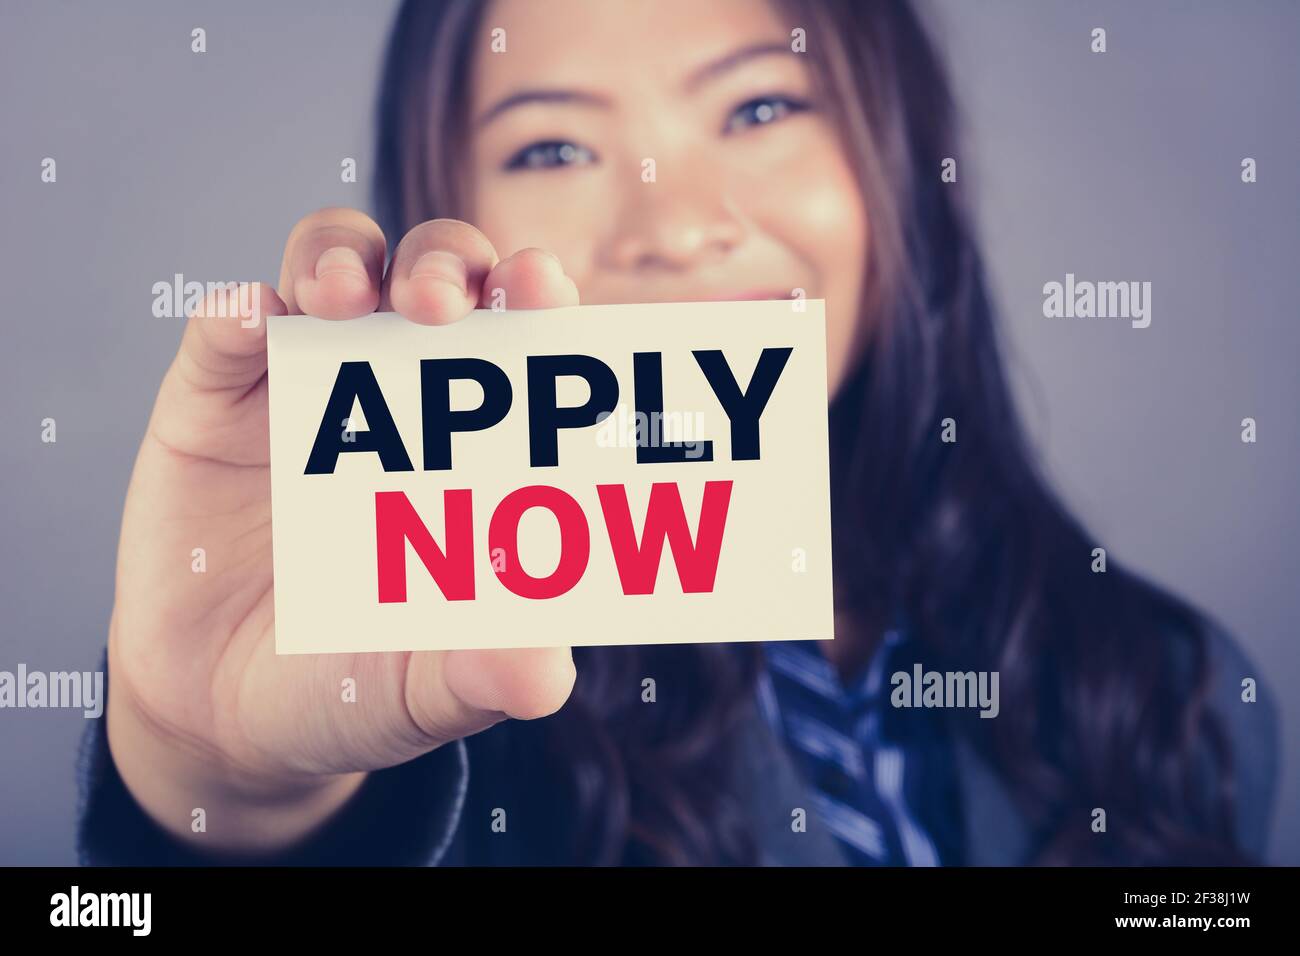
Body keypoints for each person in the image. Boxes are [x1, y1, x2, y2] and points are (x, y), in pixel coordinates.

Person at [77, 0, 1278, 867]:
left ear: (897, 159)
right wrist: (215, 787)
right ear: (444, 201)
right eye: (552, 145)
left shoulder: (1175, 689)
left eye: (759, 105)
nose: (675, 225)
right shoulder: (442, 715)